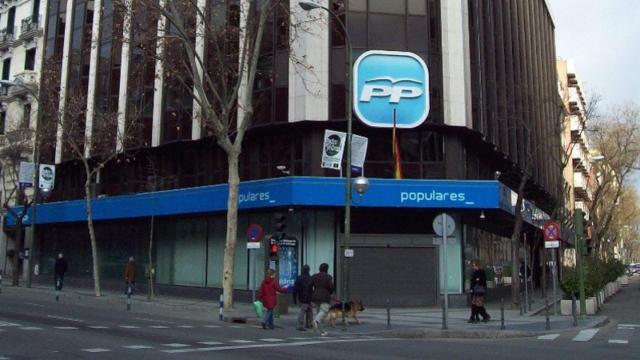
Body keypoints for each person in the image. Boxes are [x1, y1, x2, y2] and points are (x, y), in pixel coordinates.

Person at [311, 263, 334, 336]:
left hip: (315, 295)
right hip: (325, 296)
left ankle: (322, 331)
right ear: (327, 269)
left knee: (318, 313)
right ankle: (316, 321)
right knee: (324, 311)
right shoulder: (328, 277)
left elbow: (310, 286)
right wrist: (330, 292)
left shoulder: (314, 276)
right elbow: (331, 287)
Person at [294, 264, 314, 331]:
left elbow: (295, 288)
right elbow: (312, 288)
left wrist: (294, 298)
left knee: (303, 311)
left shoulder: (299, 278)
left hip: (302, 296)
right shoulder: (310, 278)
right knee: (309, 311)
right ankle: (309, 323)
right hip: (309, 296)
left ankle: (300, 325)